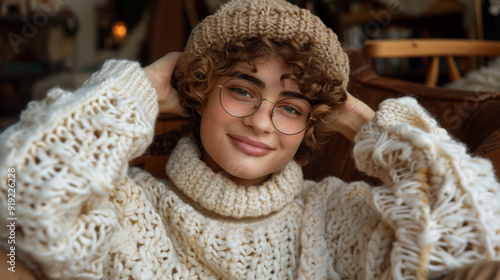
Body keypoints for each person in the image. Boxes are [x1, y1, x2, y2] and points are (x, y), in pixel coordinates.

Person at [1, 0, 499, 279]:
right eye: (242, 91)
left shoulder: (333, 215)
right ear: (198, 93)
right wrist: (141, 89)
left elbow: (482, 241)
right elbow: (9, 199)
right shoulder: (127, 204)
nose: (262, 123)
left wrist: (363, 123)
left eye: (291, 107)